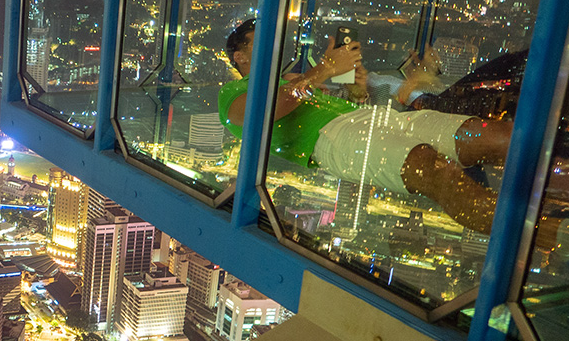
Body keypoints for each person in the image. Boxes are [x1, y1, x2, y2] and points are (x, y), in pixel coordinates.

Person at [219, 18, 516, 236]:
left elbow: (346, 104)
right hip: (332, 140)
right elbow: (261, 113)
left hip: (372, 121)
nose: (273, 48)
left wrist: (357, 89)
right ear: (240, 56)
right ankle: (533, 233)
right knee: (433, 171)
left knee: (486, 134)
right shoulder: (231, 94)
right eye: (261, 43)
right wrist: (324, 68)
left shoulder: (291, 80)